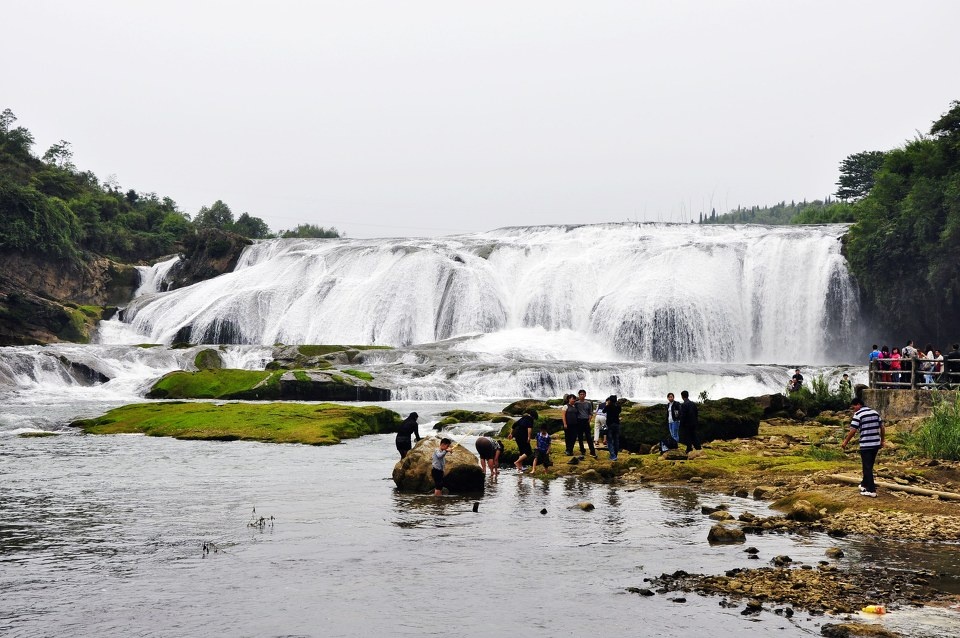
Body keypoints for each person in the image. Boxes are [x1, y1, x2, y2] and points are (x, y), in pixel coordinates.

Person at [841, 398, 884, 498]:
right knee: (868, 465)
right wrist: (882, 440)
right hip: (875, 443)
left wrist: (845, 442)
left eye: (854, 407)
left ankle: (871, 490)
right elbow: (882, 427)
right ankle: (864, 484)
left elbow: (853, 430)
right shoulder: (875, 412)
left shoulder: (858, 414)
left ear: (858, 404)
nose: (853, 410)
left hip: (866, 444)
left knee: (867, 467)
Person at [574, 389, 597, 458]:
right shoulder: (576, 403)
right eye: (580, 394)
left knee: (589, 437)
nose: (582, 395)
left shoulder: (588, 403)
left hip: (586, 421)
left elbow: (590, 412)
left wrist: (589, 420)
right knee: (580, 437)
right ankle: (582, 450)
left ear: (585, 395)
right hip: (579, 421)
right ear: (578, 395)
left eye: (583, 394)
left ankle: (592, 451)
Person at [604, 395, 622, 461]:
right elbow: (619, 411)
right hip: (617, 424)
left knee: (609, 441)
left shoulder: (608, 406)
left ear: (610, 400)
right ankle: (615, 455)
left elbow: (603, 411)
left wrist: (607, 404)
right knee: (616, 440)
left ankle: (613, 456)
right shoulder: (618, 407)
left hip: (610, 425)